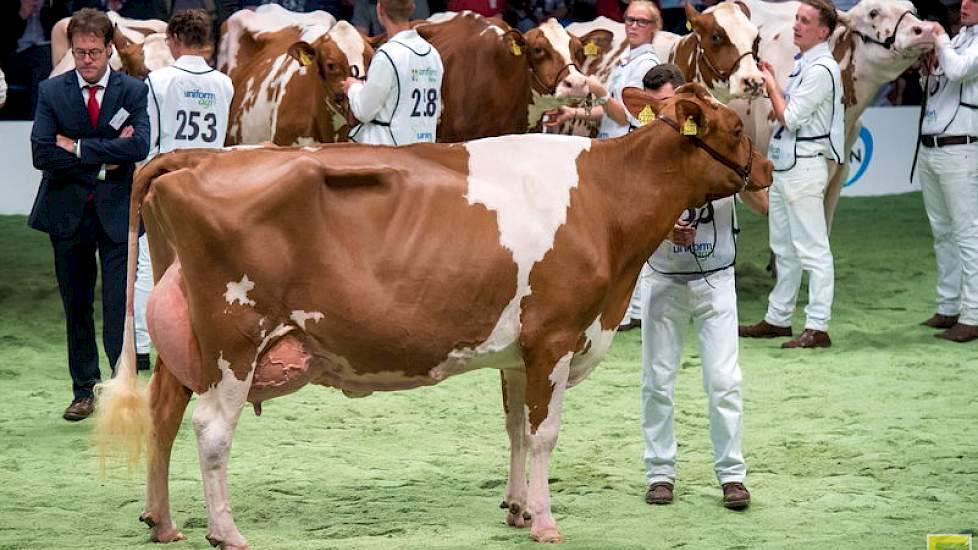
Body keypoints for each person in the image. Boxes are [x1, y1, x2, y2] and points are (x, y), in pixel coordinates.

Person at [631, 64, 763, 510]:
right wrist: (666, 226)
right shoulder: (646, 152)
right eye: (665, 109)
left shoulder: (722, 138)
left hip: (716, 277)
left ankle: (732, 475)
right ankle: (660, 473)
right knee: (656, 381)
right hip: (663, 277)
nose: (675, 117)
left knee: (725, 381)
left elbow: (763, 201)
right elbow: (628, 215)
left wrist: (736, 171)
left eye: (680, 108)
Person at [28, 8, 150, 421]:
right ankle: (84, 391)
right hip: (66, 215)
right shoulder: (52, 91)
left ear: (109, 49)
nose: (86, 60)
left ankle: (120, 392)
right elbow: (41, 153)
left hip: (117, 215)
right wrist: (105, 158)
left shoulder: (133, 91)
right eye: (80, 52)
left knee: (120, 308)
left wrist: (77, 149)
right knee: (76, 306)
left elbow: (139, 148)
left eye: (94, 52)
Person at [545, 0, 660, 332]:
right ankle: (628, 307)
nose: (633, 25)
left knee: (628, 233)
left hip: (631, 152)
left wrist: (596, 91)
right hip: (617, 147)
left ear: (654, 26)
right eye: (629, 19)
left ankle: (633, 308)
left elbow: (624, 114)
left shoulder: (647, 65)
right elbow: (612, 111)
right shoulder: (629, 60)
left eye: (641, 21)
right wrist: (574, 113)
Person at [132, 9, 235, 371]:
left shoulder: (158, 81)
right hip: (210, 180)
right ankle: (202, 334)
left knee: (151, 260)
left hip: (166, 178)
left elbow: (150, 138)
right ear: (205, 40)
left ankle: (143, 345)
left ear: (173, 40)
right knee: (204, 263)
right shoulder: (225, 83)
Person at [739, 0, 844, 349]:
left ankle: (818, 325)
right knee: (783, 247)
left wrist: (770, 85)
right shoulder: (806, 66)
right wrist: (776, 84)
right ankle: (778, 317)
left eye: (805, 21)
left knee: (813, 249)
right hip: (787, 164)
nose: (797, 26)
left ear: (824, 31)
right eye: (797, 19)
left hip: (804, 164)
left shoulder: (821, 69)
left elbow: (792, 117)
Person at [914, 0, 978, 343]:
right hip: (934, 145)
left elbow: (959, 71)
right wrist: (929, 67)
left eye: (971, 1)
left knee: (967, 232)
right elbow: (943, 78)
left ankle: (974, 313)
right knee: (942, 231)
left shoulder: (965, 43)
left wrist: (940, 39)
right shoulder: (962, 38)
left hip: (962, 146)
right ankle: (949, 305)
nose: (964, 5)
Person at [342, 0, 444, 145]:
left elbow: (364, 111)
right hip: (426, 149)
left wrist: (353, 88)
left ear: (380, 9)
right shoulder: (433, 54)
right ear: (412, 8)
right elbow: (437, 111)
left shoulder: (387, 55)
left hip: (389, 155)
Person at [0, 0, 71, 119]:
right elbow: (5, 39)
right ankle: (41, 117)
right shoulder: (10, 6)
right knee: (43, 59)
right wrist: (22, 14)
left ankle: (40, 118)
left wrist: (43, 11)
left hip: (47, 56)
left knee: (45, 58)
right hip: (15, 57)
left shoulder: (54, 6)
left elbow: (63, 31)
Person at [352, 0, 430, 37]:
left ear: (380, 9)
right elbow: (360, 36)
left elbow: (423, 29)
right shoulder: (432, 54)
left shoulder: (382, 58)